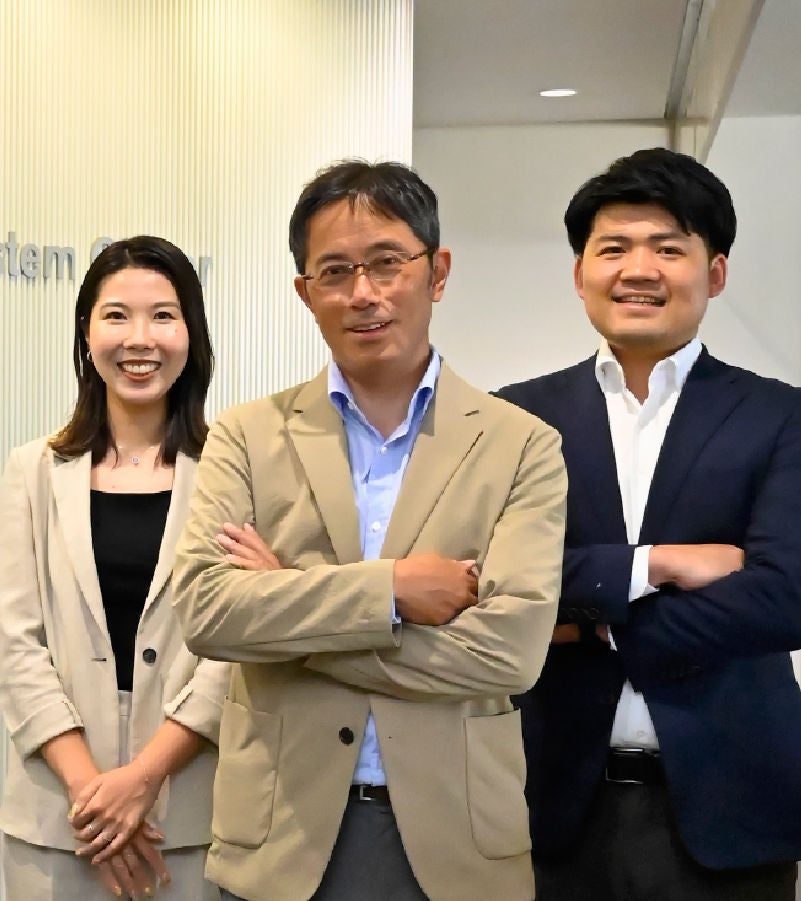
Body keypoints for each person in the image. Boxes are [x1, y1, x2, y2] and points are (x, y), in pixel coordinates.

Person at [171, 159, 567, 901]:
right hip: (280, 837)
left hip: (456, 842)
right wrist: (391, 590)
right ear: (304, 292)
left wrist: (287, 607)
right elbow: (207, 610)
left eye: (387, 263)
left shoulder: (522, 444)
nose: (363, 293)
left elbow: (508, 655)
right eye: (335, 271)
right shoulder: (245, 435)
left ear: (436, 271)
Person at [497, 147, 801, 901]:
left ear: (715, 272)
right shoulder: (515, 419)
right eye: (614, 248)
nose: (640, 269)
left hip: (732, 811)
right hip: (550, 807)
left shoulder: (779, 415)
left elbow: (783, 595)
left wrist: (589, 624)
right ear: (579, 274)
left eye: (669, 247)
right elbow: (496, 578)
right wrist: (654, 564)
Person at [0, 236, 229, 900]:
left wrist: (143, 777)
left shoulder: (233, 471)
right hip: (58, 820)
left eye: (163, 314)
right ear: (86, 330)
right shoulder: (32, 470)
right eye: (116, 315)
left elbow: (236, 650)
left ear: (191, 332)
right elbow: (16, 644)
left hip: (188, 819)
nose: (140, 338)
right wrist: (93, 795)